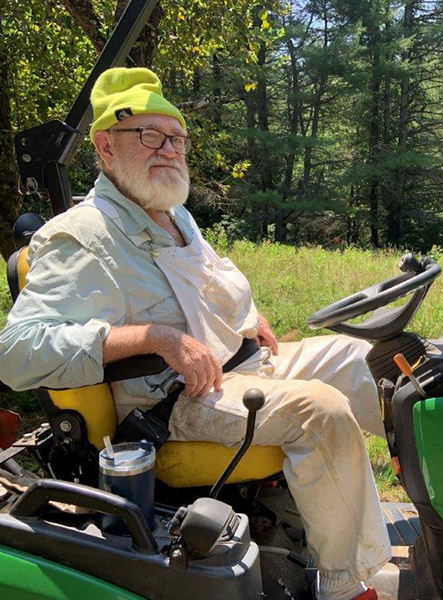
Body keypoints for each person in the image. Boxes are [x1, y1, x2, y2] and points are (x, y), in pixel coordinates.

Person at [0, 68, 391, 600]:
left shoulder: (171, 213)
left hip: (239, 365)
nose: (168, 149)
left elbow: (205, 281)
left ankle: (424, 496)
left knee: (365, 361)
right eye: (149, 135)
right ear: (105, 146)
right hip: (173, 403)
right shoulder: (81, 237)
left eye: (176, 137)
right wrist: (154, 338)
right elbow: (16, 354)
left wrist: (250, 318)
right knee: (320, 410)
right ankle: (347, 587)